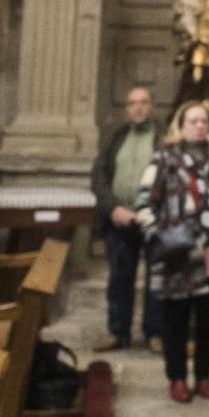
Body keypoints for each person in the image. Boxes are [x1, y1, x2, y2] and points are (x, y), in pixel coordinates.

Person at [139, 101, 209, 401]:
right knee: (175, 321)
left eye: (204, 121)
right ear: (181, 125)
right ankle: (176, 378)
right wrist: (158, 236)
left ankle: (203, 376)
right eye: (194, 121)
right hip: (179, 256)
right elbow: (143, 201)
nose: (200, 126)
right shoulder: (165, 158)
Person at [91, 84, 162, 351]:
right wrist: (112, 208)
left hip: (153, 219)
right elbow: (99, 176)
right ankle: (118, 331)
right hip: (119, 218)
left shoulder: (163, 137)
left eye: (144, 102)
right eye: (133, 103)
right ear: (127, 108)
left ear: (151, 106)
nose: (139, 107)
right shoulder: (116, 137)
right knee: (120, 278)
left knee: (156, 279)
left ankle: (154, 333)